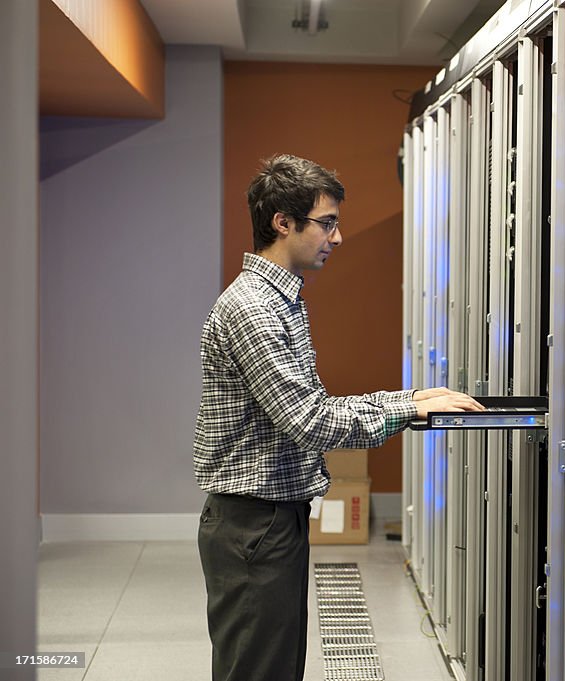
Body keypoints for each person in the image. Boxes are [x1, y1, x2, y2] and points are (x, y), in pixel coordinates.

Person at [193, 154, 483, 681]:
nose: (338, 237)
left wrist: (411, 397)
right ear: (283, 222)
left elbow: (314, 407)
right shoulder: (254, 308)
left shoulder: (281, 301)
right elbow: (310, 421)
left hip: (268, 518)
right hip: (254, 525)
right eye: (327, 223)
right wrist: (409, 407)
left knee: (273, 666)